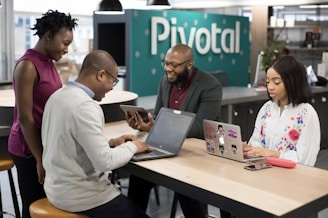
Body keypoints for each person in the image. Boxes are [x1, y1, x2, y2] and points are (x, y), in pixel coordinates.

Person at [41, 50, 151, 218]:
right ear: (101, 75)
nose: (111, 88)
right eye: (113, 81)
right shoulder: (86, 106)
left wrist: (111, 143)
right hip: (82, 198)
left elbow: (69, 144)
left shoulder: (56, 97)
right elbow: (105, 162)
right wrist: (133, 146)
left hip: (55, 191)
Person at [126, 44, 224, 218]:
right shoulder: (166, 81)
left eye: (174, 65)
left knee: (185, 187)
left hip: (195, 155)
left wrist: (159, 126)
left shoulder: (210, 86)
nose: (168, 69)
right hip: (166, 146)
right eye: (166, 63)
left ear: (189, 64)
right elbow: (158, 115)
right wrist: (144, 124)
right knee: (138, 177)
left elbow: (201, 128)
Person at [8, 10, 78, 218]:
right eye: (64, 43)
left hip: (43, 145)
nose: (67, 49)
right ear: (48, 35)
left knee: (47, 204)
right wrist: (40, 158)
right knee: (33, 205)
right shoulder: (28, 66)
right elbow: (25, 118)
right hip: (28, 148)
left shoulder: (48, 62)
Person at [243, 55, 320, 167]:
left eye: (276, 82)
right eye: (268, 82)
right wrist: (250, 149)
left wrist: (275, 154)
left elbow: (305, 159)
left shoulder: (306, 113)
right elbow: (256, 140)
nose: (270, 87)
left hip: (292, 178)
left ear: (292, 82)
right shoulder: (267, 108)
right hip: (263, 171)